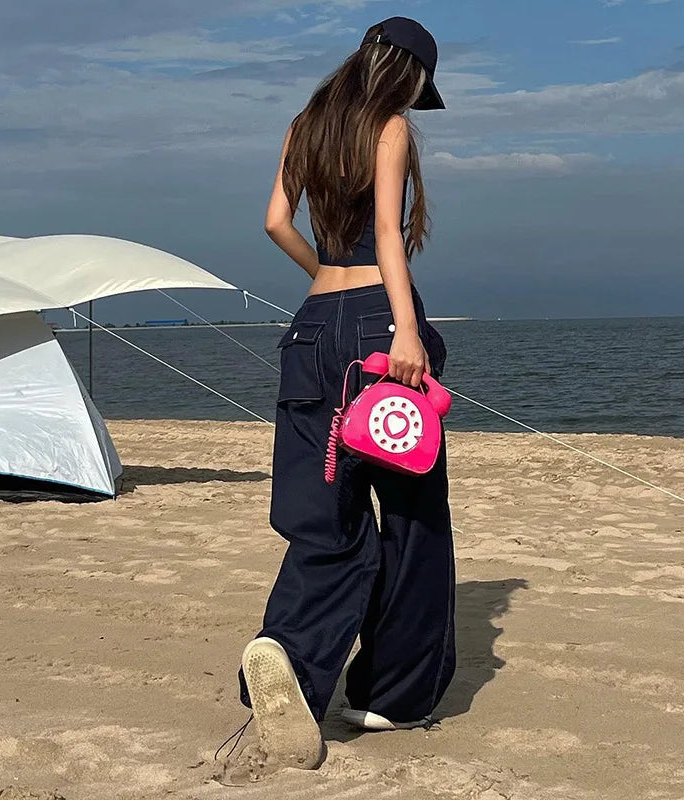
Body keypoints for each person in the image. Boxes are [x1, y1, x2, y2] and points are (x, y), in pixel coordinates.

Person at [237, 16, 456, 770]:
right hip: (373, 325)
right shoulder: (388, 125)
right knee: (412, 516)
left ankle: (286, 659)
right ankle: (390, 693)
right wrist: (402, 330)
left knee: (322, 519)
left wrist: (323, 284)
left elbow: (274, 222)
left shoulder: (306, 122)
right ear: (411, 73)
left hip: (310, 329)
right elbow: (389, 237)